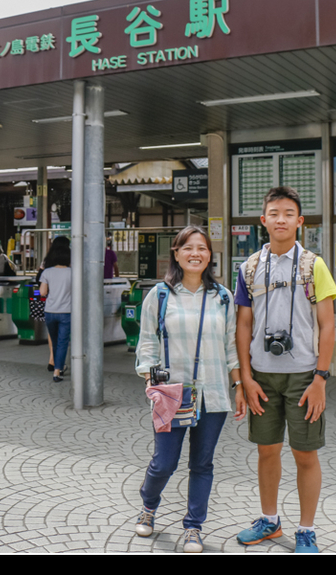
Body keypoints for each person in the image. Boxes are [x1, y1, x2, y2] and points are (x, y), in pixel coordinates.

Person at [233, 186, 336, 553]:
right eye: (274, 213)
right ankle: (270, 521)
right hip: (261, 376)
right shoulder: (248, 268)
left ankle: (306, 529)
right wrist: (245, 377)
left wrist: (320, 379)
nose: (281, 219)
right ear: (263, 221)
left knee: (305, 454)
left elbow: (327, 325)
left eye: (288, 213)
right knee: (266, 450)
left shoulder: (314, 265)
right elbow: (243, 325)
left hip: (303, 376)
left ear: (300, 221)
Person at [133, 225, 245, 554]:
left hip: (212, 393)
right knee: (163, 462)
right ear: (176, 254)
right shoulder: (160, 294)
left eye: (202, 248)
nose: (196, 253)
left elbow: (230, 346)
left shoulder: (222, 297)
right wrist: (150, 381)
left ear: (210, 255)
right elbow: (147, 341)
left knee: (202, 464)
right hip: (172, 392)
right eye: (188, 247)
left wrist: (238, 385)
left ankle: (193, 527)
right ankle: (149, 505)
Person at [38, 239, 71, 382]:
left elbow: (42, 292)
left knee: (55, 341)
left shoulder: (47, 272)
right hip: (66, 312)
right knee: (63, 342)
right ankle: (57, 371)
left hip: (50, 311)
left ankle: (55, 364)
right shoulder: (73, 273)